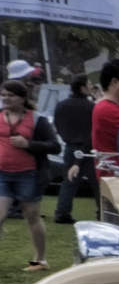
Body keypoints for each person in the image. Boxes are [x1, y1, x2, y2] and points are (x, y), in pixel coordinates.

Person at [0, 80, 62, 270]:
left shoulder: (37, 119)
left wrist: (29, 144)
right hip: (3, 174)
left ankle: (40, 259)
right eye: (3, 94)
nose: (6, 98)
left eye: (11, 95)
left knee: (32, 216)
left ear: (22, 98)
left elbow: (55, 146)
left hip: (29, 174)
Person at [52, 75, 95, 225]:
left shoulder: (61, 105)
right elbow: (94, 130)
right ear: (83, 88)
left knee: (69, 182)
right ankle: (101, 211)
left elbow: (57, 126)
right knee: (96, 183)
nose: (92, 87)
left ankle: (62, 213)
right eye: (89, 85)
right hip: (89, 147)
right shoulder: (91, 107)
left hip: (70, 146)